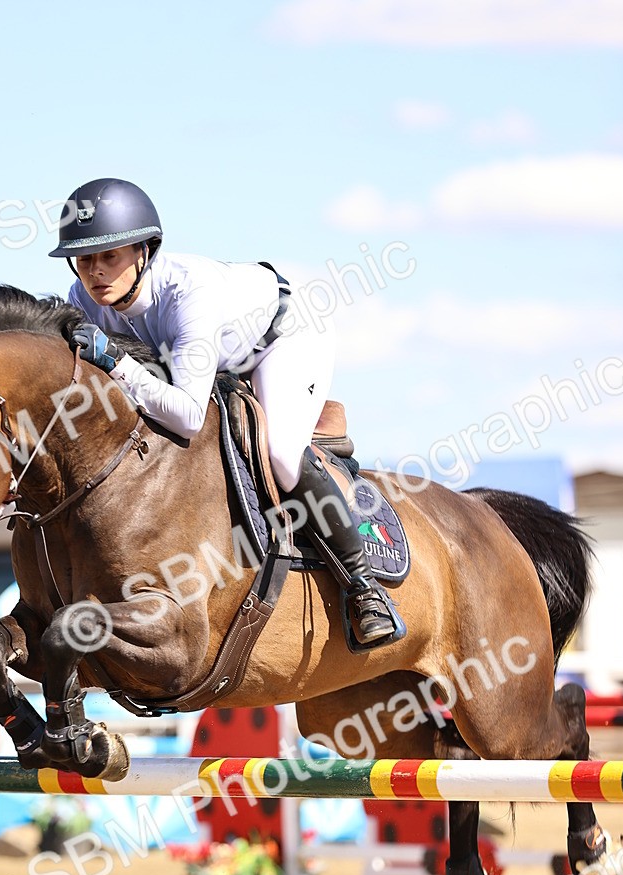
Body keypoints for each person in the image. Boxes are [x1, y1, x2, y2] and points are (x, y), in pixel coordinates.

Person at [50, 177, 401, 648]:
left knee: (279, 453)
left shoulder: (188, 295)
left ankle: (365, 587)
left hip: (283, 340)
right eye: (85, 259)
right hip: (206, 360)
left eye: (109, 256)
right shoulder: (83, 300)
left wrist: (116, 363)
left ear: (143, 251)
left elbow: (188, 416)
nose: (95, 272)